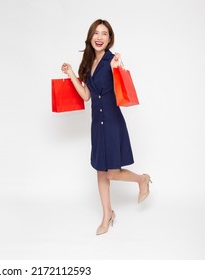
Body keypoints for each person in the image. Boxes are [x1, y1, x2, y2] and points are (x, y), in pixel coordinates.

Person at [61, 19, 152, 235]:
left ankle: (142, 180)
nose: (100, 37)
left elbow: (121, 79)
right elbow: (86, 96)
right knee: (100, 173)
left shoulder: (113, 60)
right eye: (96, 33)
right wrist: (72, 74)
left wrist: (117, 66)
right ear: (90, 36)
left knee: (112, 173)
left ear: (110, 39)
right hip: (96, 125)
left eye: (104, 34)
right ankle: (107, 214)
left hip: (112, 123)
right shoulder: (88, 61)